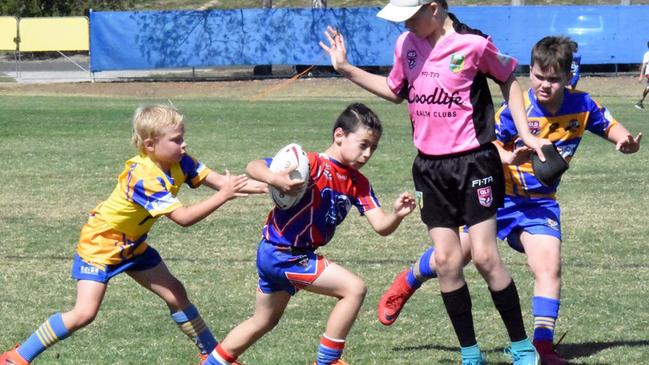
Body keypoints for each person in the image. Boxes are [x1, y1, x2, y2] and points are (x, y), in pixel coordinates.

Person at [376, 36, 643, 365]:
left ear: (569, 77)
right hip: (496, 199)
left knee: (548, 265)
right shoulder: (516, 111)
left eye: (554, 79)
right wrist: (510, 157)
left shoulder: (582, 105)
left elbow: (612, 127)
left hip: (539, 204)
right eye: (538, 76)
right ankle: (410, 279)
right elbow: (487, 149)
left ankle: (541, 346)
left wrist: (625, 142)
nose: (544, 85)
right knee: (455, 258)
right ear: (531, 72)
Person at [320, 1, 547, 364]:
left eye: (411, 16)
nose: (406, 24)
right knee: (445, 260)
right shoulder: (406, 45)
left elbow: (508, 78)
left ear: (434, 8)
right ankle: (470, 354)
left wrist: (526, 134)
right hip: (429, 168)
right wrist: (346, 69)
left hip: (475, 163)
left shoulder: (474, 43)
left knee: (487, 257)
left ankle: (521, 347)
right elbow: (396, 90)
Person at [0, 105, 266, 365]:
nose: (183, 145)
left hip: (133, 245)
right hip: (101, 246)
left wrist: (275, 187)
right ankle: (17, 357)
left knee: (175, 293)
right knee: (84, 314)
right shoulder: (142, 177)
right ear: (150, 145)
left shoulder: (180, 160)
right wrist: (224, 196)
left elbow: (224, 182)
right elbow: (184, 218)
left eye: (183, 138)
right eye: (176, 140)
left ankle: (212, 356)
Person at [201, 103, 416, 365]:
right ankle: (327, 361)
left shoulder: (359, 184)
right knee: (354, 289)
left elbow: (381, 226)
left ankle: (213, 362)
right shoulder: (309, 164)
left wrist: (396, 214)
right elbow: (253, 166)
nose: (367, 154)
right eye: (363, 144)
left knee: (264, 320)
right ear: (339, 136)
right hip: (285, 254)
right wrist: (275, 178)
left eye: (373, 148)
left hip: (278, 253)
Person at [635, 40, 649, 110]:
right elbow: (643, 66)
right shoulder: (647, 54)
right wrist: (641, 76)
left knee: (648, 88)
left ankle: (640, 102)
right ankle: (640, 102)